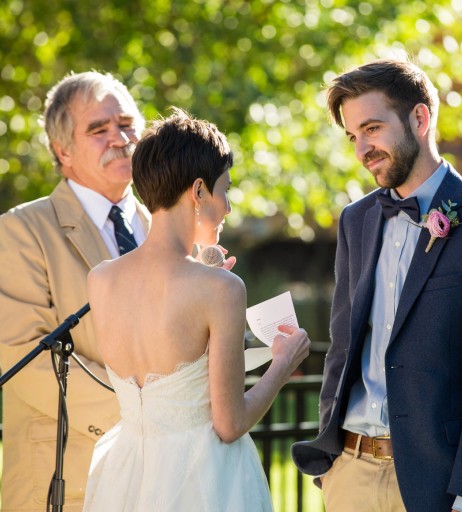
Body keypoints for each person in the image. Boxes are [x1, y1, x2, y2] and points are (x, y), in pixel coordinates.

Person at [291, 58, 462, 511]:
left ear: (420, 118)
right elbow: (343, 347)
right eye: (353, 136)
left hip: (441, 487)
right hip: (350, 475)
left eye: (372, 128)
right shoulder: (356, 220)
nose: (362, 149)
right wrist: (332, 465)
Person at [82, 108, 311, 511]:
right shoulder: (220, 289)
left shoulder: (101, 279)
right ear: (199, 191)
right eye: (225, 190)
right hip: (202, 482)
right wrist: (282, 364)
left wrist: (206, 278)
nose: (226, 207)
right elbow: (230, 425)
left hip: (127, 476)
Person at [0, 71, 151, 511]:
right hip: (71, 479)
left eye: (128, 123)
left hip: (170, 478)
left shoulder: (169, 226)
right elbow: (28, 358)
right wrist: (149, 419)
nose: (120, 138)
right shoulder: (22, 231)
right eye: (99, 129)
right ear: (63, 150)